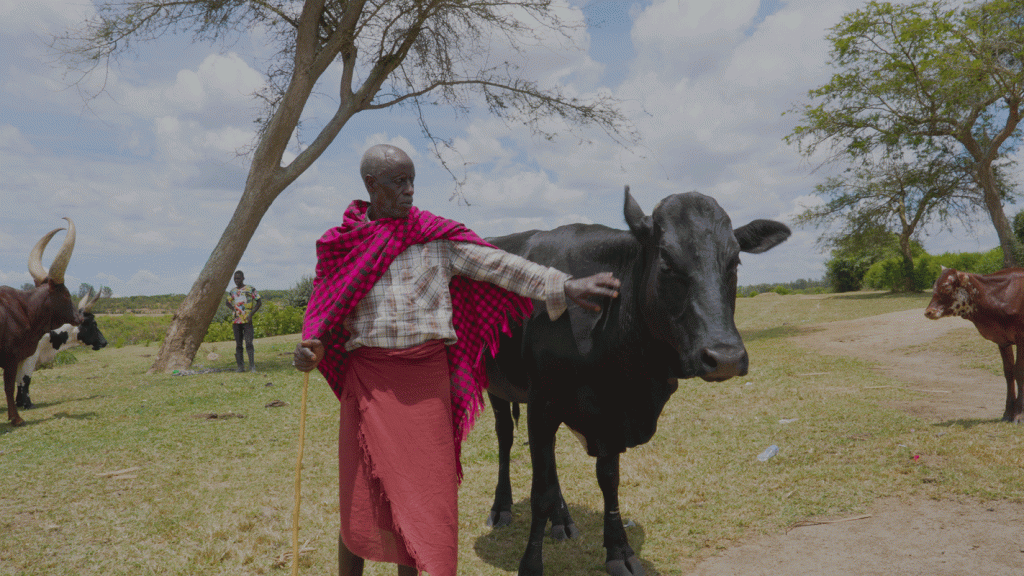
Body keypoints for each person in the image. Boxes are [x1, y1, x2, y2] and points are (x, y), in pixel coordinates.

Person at [293, 144, 620, 576]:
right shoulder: (343, 245)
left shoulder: (435, 236)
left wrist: (565, 286)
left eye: (413, 180)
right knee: (361, 497)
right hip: (368, 384)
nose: (410, 190)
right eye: (399, 182)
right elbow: (325, 310)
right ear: (371, 186)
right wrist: (311, 346)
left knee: (425, 501)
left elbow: (501, 266)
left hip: (427, 386)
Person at [225, 270, 262, 372]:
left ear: (243, 278)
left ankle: (252, 366)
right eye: (235, 279)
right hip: (236, 321)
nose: (236, 280)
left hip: (247, 320)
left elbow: (259, 302)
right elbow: (227, 302)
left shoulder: (250, 289)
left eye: (238, 278)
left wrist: (251, 314)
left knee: (249, 343)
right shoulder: (232, 291)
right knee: (238, 344)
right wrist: (233, 309)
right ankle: (240, 367)